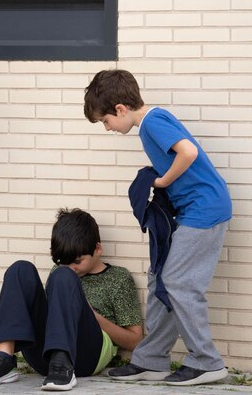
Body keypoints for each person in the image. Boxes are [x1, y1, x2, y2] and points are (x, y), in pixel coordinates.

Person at [83, 69, 232, 386]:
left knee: (178, 282)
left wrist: (162, 181)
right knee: (161, 279)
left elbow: (187, 152)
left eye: (106, 121)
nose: (108, 128)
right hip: (191, 211)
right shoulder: (150, 123)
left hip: (204, 210)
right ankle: (151, 360)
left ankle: (207, 361)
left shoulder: (152, 121)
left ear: (120, 109)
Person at [0, 208, 142, 391]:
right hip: (44, 358)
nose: (71, 267)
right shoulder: (59, 272)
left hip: (86, 356)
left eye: (77, 261)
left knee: (64, 276)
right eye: (63, 261)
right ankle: (4, 357)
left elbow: (135, 341)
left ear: (97, 249)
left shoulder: (118, 278)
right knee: (20, 269)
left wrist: (95, 318)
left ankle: (63, 362)